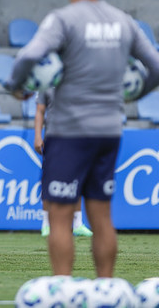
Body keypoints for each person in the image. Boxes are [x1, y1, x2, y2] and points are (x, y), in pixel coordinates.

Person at [4, 0, 159, 278]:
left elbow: (29, 56)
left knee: (61, 216)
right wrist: (132, 94)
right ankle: (106, 288)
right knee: (101, 215)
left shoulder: (62, 19)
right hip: (109, 130)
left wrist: (15, 86)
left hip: (69, 132)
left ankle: (62, 289)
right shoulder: (123, 20)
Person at [33, 87, 92, 238]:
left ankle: (78, 224)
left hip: (76, 137)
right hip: (53, 138)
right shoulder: (45, 81)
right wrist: (38, 136)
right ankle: (45, 224)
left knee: (76, 179)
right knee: (49, 180)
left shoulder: (77, 79)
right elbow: (40, 111)